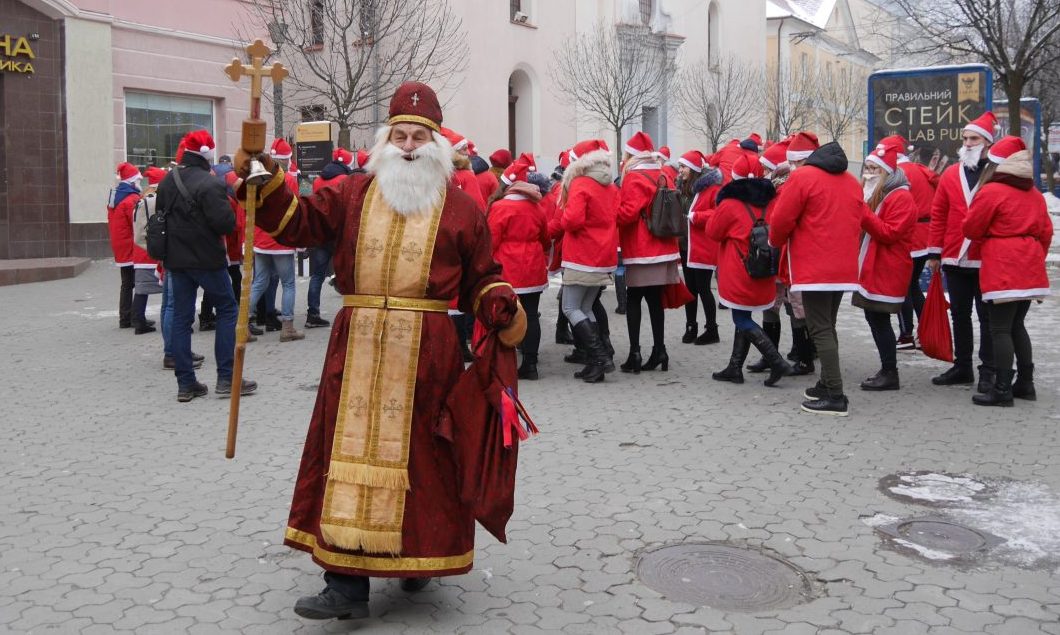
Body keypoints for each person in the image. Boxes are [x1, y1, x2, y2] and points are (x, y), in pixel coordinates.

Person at [235, 82, 524, 620]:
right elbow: (296, 223)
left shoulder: (462, 207)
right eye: (401, 133)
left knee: (427, 458)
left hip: (429, 353)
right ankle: (345, 585)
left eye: (420, 136)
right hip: (358, 343)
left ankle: (418, 558)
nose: (409, 144)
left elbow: (483, 276)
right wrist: (264, 180)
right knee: (344, 455)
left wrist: (499, 302)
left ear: (437, 145)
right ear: (385, 140)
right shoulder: (349, 194)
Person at [770, 132, 865, 416]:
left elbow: (781, 220)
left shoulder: (803, 178)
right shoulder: (850, 180)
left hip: (815, 266)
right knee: (828, 324)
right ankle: (825, 384)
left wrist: (775, 242)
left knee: (819, 327)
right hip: (843, 265)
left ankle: (835, 394)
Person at [158, 130, 256, 402]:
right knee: (227, 310)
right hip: (207, 260)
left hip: (176, 260)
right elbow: (225, 224)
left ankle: (186, 384)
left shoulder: (167, 182)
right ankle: (226, 378)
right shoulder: (210, 184)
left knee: (180, 317)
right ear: (207, 153)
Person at [963, 139, 1052, 406]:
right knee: (1017, 326)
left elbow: (971, 229)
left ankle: (1001, 390)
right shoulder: (1035, 194)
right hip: (1029, 264)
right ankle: (1025, 383)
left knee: (999, 328)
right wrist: (1034, 258)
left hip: (1003, 266)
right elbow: (1046, 233)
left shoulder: (992, 192)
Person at [926, 111, 998, 391]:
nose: (968, 143)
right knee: (959, 314)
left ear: (987, 143)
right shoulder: (951, 173)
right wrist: (934, 252)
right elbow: (938, 213)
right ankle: (962, 366)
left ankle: (989, 370)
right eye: (965, 138)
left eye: (974, 138)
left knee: (987, 316)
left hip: (985, 257)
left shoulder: (997, 172)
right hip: (955, 255)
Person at [707, 154, 792, 386]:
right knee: (743, 316)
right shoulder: (773, 201)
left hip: (739, 271)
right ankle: (735, 367)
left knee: (741, 318)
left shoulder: (729, 204)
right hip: (764, 270)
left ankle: (776, 361)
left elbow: (712, 232)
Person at [616, 131, 680, 373]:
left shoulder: (635, 177)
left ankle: (635, 353)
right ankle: (659, 350)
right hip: (664, 245)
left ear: (631, 155)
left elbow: (628, 214)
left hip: (642, 248)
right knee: (655, 300)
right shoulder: (664, 174)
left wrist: (610, 213)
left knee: (633, 299)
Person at [557, 139, 619, 383]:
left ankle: (601, 357)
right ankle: (596, 363)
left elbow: (572, 220)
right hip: (603, 253)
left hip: (581, 254)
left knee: (570, 308)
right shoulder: (611, 186)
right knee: (585, 307)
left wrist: (562, 219)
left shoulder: (581, 183)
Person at [854, 146, 917, 391]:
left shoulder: (901, 197)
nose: (869, 174)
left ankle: (890, 372)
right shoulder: (878, 194)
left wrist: (861, 211)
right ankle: (886, 368)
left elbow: (889, 233)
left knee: (879, 318)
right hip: (873, 265)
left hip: (887, 266)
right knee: (874, 317)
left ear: (887, 171)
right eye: (867, 168)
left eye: (874, 169)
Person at [872, 136, 939, 350]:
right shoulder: (919, 169)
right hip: (923, 236)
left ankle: (907, 333)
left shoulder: (897, 175)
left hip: (907, 237)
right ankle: (925, 330)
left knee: (905, 288)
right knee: (912, 287)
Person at [487, 155, 550, 380]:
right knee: (531, 315)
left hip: (508, 269)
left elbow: (492, 241)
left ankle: (503, 360)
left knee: (505, 315)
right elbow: (545, 238)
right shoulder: (536, 207)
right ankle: (531, 363)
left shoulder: (500, 208)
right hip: (532, 268)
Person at [676, 150, 718, 346]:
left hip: (702, 246)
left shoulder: (711, 189)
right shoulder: (681, 187)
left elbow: (717, 214)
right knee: (690, 289)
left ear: (693, 169)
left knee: (703, 289)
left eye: (683, 167)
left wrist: (695, 217)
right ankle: (690, 326)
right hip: (686, 244)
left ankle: (712, 329)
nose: (680, 170)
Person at [106, 162, 146, 331]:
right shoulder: (131, 199)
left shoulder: (116, 196)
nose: (139, 182)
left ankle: (126, 317)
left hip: (120, 245)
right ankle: (133, 318)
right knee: (135, 282)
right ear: (132, 180)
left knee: (127, 282)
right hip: (130, 245)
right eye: (138, 179)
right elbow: (137, 223)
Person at [441, 128, 487, 212]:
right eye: (464, 149)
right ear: (453, 152)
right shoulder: (467, 175)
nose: (468, 153)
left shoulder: (436, 176)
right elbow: (477, 208)